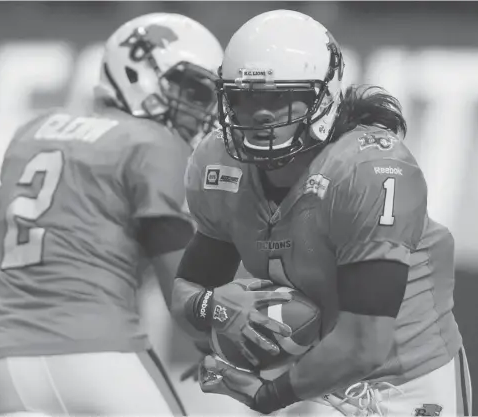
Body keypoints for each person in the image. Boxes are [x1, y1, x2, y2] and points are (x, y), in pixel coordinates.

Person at [171, 9, 472, 416]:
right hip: (308, 380)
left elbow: (364, 342)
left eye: (278, 97)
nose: (260, 113)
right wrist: (217, 309)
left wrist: (265, 395)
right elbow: (186, 289)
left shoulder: (366, 169)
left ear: (322, 96)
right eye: (244, 96)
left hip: (407, 382)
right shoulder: (218, 163)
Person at [0, 13, 223, 416]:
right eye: (194, 92)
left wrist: (36, 299)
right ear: (137, 74)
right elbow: (186, 298)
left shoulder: (35, 133)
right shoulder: (155, 143)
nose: (202, 112)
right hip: (99, 359)